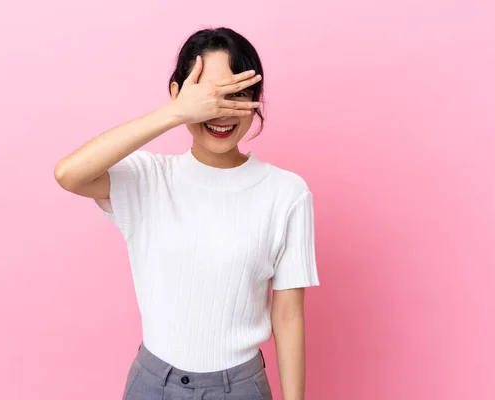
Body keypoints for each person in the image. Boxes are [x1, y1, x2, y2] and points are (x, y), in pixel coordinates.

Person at [54, 27, 319, 400]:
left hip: (240, 388)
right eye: (208, 96)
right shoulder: (148, 178)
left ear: (255, 100)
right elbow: (69, 174)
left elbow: (288, 317)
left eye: (237, 95)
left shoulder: (286, 193)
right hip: (152, 384)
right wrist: (176, 113)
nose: (220, 111)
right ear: (178, 94)